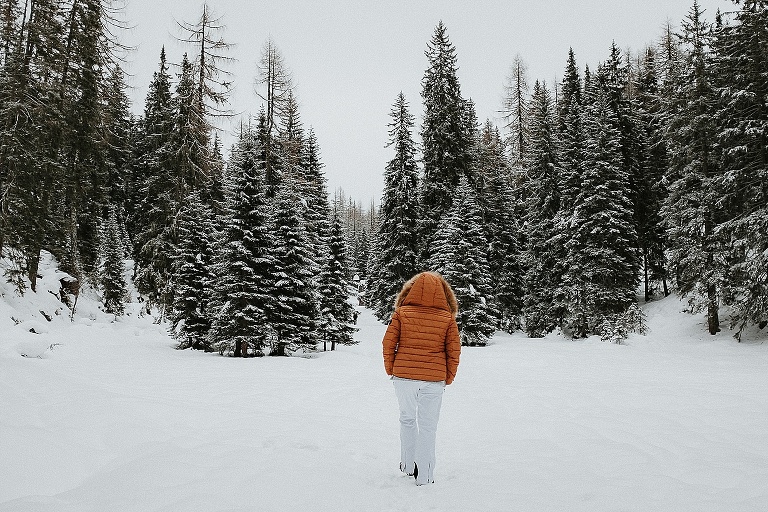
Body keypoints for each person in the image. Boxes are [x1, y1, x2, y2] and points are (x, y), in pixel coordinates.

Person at [382, 271, 461, 486]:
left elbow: (388, 344)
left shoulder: (401, 313)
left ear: (411, 290)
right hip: (434, 379)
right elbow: (454, 351)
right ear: (444, 294)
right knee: (428, 426)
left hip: (404, 377)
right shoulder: (447, 318)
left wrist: (392, 370)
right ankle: (424, 476)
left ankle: (408, 466)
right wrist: (448, 377)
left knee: (407, 418)